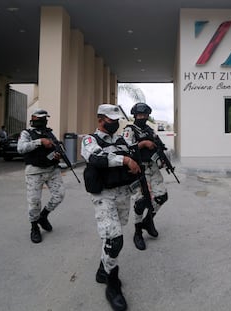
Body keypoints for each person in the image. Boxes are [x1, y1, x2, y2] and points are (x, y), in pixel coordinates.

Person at [81, 104, 141, 311]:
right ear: (100, 119)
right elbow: (97, 158)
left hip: (123, 193)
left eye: (116, 120)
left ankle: (101, 269)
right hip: (104, 195)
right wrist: (124, 159)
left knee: (113, 234)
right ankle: (112, 283)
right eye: (110, 120)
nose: (114, 123)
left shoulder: (121, 140)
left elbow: (136, 157)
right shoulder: (90, 140)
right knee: (115, 240)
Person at [122, 103, 169, 251]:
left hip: (153, 167)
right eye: (139, 115)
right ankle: (137, 233)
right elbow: (125, 148)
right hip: (138, 168)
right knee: (140, 202)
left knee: (162, 196)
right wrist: (142, 144)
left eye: (145, 115)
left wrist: (163, 159)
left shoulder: (149, 130)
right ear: (135, 115)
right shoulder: (129, 130)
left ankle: (148, 221)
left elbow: (158, 146)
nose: (142, 117)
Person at [17, 109, 65, 244]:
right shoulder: (26, 133)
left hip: (52, 170)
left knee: (59, 195)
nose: (43, 122)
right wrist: (40, 142)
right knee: (34, 202)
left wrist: (57, 154)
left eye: (45, 119)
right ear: (33, 119)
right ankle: (34, 227)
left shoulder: (49, 133)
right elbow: (21, 149)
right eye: (41, 119)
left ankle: (43, 216)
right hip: (34, 171)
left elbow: (57, 147)